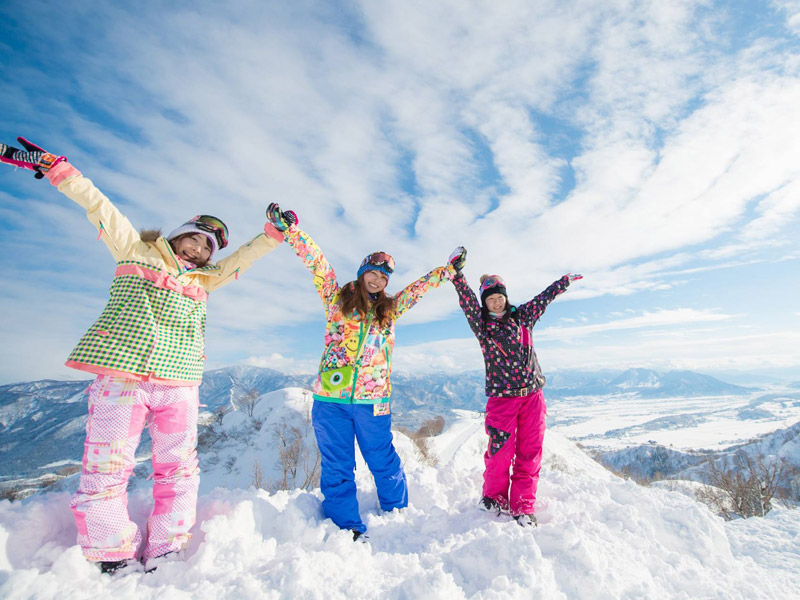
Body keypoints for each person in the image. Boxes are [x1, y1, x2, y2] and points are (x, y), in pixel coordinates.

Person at [0, 137, 288, 573]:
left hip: (181, 386)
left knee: (178, 472)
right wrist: (59, 169)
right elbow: (98, 205)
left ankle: (166, 546)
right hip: (122, 379)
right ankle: (111, 551)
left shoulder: (206, 281)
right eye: (194, 238)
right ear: (177, 235)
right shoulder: (134, 250)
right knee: (106, 468)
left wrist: (271, 236)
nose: (198, 249)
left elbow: (242, 260)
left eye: (208, 248)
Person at [266, 203, 455, 540]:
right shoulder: (336, 299)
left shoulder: (390, 310)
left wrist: (446, 271)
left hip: (373, 400)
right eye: (373, 271)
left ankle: (397, 510)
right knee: (338, 464)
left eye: (384, 276)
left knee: (382, 457)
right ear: (362, 271)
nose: (378, 278)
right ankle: (346, 526)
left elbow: (417, 289)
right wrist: (293, 232)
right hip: (332, 399)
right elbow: (318, 264)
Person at [447, 247, 581, 527]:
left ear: (506, 297)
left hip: (533, 396)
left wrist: (563, 282)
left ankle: (523, 505)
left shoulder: (523, 317)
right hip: (501, 400)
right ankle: (495, 497)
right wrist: (457, 275)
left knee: (529, 452)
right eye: (491, 299)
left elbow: (544, 299)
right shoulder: (482, 326)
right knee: (499, 452)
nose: (496, 303)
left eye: (499, 297)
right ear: (485, 303)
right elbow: (467, 301)